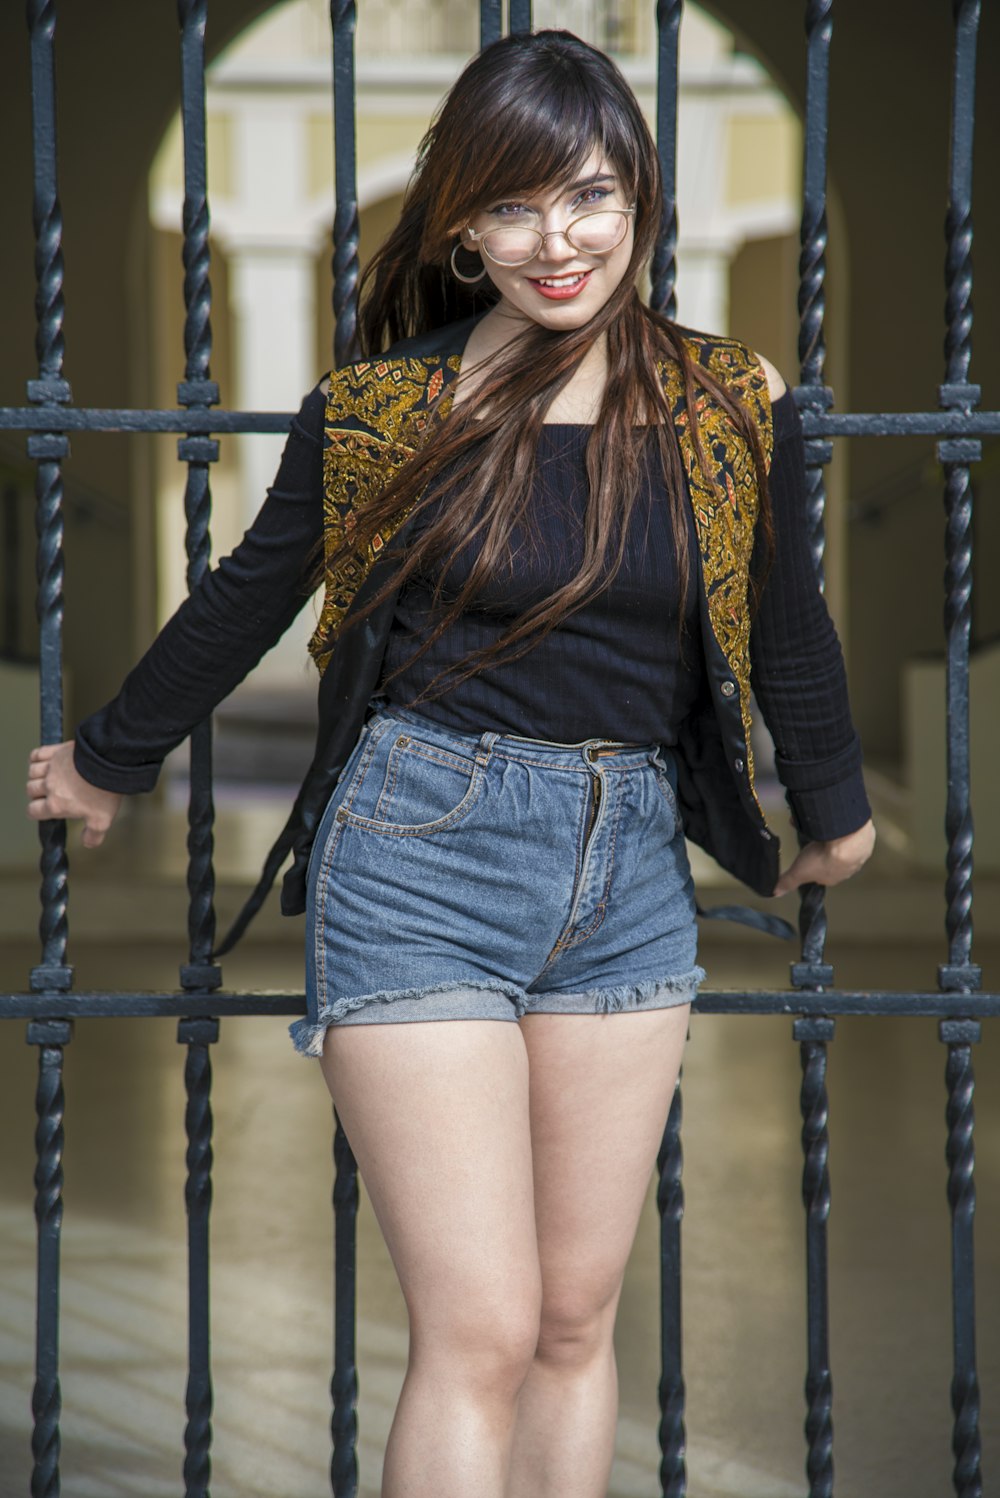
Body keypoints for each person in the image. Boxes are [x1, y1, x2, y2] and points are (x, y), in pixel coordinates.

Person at [26, 29, 875, 1498]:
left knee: (568, 1316)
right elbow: (249, 591)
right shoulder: (383, 414)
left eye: (592, 196)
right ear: (463, 230)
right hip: (422, 849)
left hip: (628, 866)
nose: (559, 241)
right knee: (476, 1328)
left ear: (642, 203)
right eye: (512, 206)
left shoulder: (730, 403)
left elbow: (785, 615)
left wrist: (838, 805)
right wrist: (109, 757)